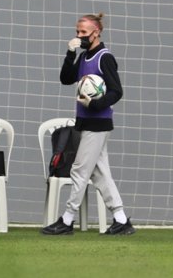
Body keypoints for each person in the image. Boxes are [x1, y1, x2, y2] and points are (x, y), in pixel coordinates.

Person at [41, 12, 134, 236]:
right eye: (77, 32)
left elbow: (116, 91)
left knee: (79, 170)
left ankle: (67, 219)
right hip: (85, 122)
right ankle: (121, 220)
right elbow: (66, 78)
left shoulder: (104, 58)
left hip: (98, 123)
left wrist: (94, 103)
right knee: (100, 173)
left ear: (96, 33)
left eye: (83, 32)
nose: (79, 36)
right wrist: (70, 52)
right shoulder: (83, 57)